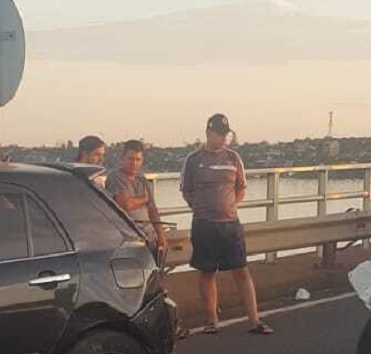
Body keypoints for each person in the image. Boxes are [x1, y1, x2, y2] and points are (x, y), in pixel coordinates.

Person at [180, 113, 272, 335]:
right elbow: (186, 190)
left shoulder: (234, 158)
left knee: (242, 271)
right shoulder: (193, 160)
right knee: (207, 272)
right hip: (204, 224)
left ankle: (254, 321)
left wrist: (231, 204)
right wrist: (201, 207)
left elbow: (241, 188)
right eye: (218, 134)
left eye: (225, 134)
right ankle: (212, 320)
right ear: (208, 133)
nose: (222, 138)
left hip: (230, 224)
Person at [105, 140, 167, 252]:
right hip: (129, 239)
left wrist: (161, 235)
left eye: (138, 159)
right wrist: (144, 199)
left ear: (142, 161)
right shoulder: (115, 177)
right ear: (123, 158)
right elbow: (125, 204)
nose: (134, 163)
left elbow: (152, 209)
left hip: (149, 236)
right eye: (131, 159)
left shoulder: (142, 179)